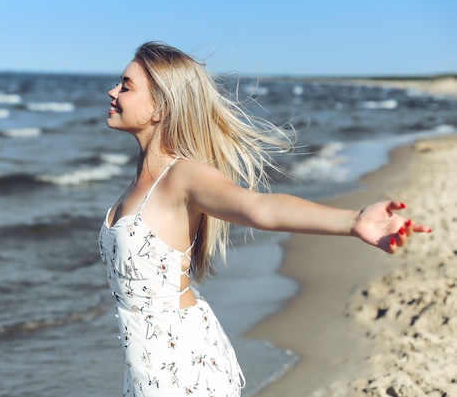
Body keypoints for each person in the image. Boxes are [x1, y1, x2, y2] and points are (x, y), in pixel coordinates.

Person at [98, 41, 431, 397]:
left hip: (180, 366)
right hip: (147, 364)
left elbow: (260, 208)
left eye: (126, 86)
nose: (112, 91)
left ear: (160, 108)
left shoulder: (183, 177)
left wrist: (353, 221)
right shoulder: (138, 183)